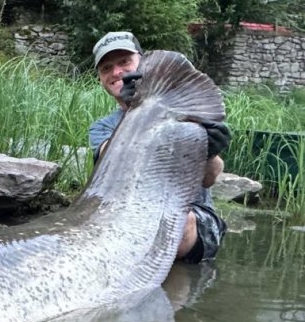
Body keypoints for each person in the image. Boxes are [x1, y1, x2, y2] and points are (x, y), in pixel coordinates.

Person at [89, 31, 230, 263]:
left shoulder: (182, 110)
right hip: (128, 215)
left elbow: (210, 177)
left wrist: (210, 151)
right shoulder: (101, 127)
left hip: (190, 217)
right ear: (100, 79)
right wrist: (133, 112)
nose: (116, 72)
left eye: (124, 62)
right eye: (106, 68)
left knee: (175, 222)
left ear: (141, 62)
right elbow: (108, 159)